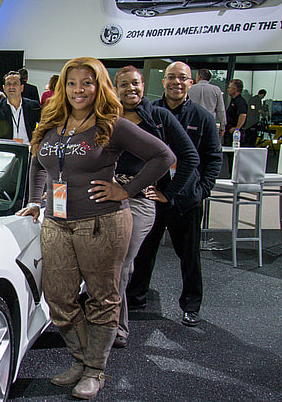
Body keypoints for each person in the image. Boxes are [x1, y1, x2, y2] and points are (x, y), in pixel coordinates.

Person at [16, 57, 175, 399]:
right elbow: (37, 161)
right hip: (57, 223)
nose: (78, 90)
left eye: (86, 82)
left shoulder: (111, 123)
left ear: (99, 85)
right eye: (71, 83)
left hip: (102, 222)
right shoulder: (51, 121)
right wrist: (34, 199)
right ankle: (80, 359)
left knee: (103, 298)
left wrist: (127, 189)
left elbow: (163, 156)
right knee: (58, 297)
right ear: (62, 87)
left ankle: (94, 370)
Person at [127, 62, 223, 328]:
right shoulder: (149, 113)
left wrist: (202, 190)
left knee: (189, 256)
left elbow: (213, 158)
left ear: (191, 83)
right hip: (152, 196)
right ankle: (135, 298)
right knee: (143, 251)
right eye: (171, 78)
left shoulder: (202, 117)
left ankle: (191, 305)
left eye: (182, 78)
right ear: (163, 81)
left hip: (185, 200)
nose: (176, 83)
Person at [111, 66, 199, 348]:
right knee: (102, 263)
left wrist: (168, 192)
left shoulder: (160, 118)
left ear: (143, 84)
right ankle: (101, 318)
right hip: (105, 198)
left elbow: (188, 157)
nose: (130, 89)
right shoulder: (106, 116)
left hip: (138, 202)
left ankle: (117, 328)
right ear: (115, 87)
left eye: (135, 84)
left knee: (121, 263)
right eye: (124, 85)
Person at [0, 71, 41, 143]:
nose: (11, 87)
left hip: (29, 148)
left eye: (15, 84)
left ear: (22, 88)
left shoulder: (33, 106)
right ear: (4, 88)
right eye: (8, 84)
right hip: (8, 149)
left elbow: (43, 125)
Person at [187, 68, 226, 137]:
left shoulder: (190, 89)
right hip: (210, 122)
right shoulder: (216, 90)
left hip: (193, 123)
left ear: (199, 77)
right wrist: (222, 126)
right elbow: (221, 110)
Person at [224, 78, 248, 147]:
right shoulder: (233, 101)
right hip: (229, 130)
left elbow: (243, 115)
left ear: (235, 89)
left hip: (235, 133)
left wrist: (237, 128)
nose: (228, 90)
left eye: (229, 88)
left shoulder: (240, 101)